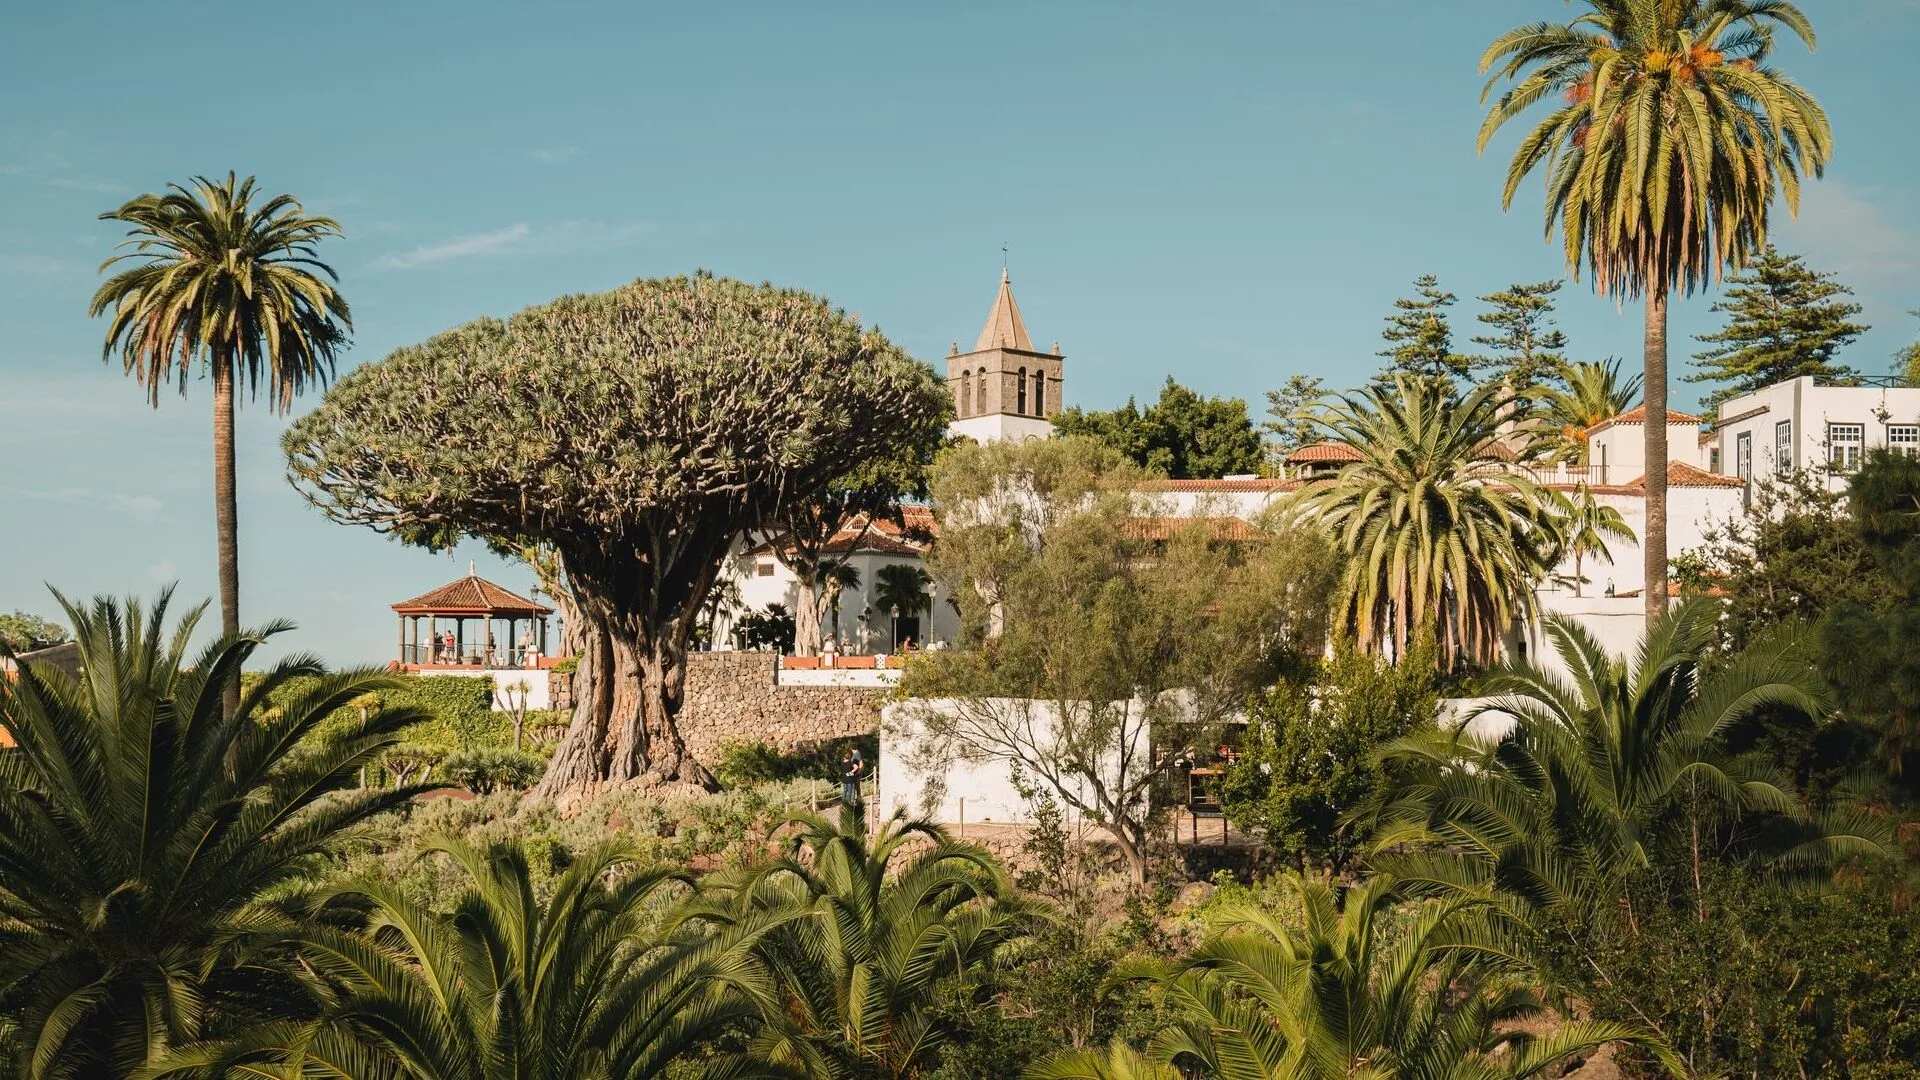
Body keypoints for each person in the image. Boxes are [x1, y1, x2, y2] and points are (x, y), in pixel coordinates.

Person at [839, 746, 866, 811]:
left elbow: (842, 770)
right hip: (850, 778)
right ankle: (850, 803)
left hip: (844, 778)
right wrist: (852, 772)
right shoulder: (850, 762)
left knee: (845, 790)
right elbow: (857, 767)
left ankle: (843, 802)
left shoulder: (842, 763)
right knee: (850, 790)